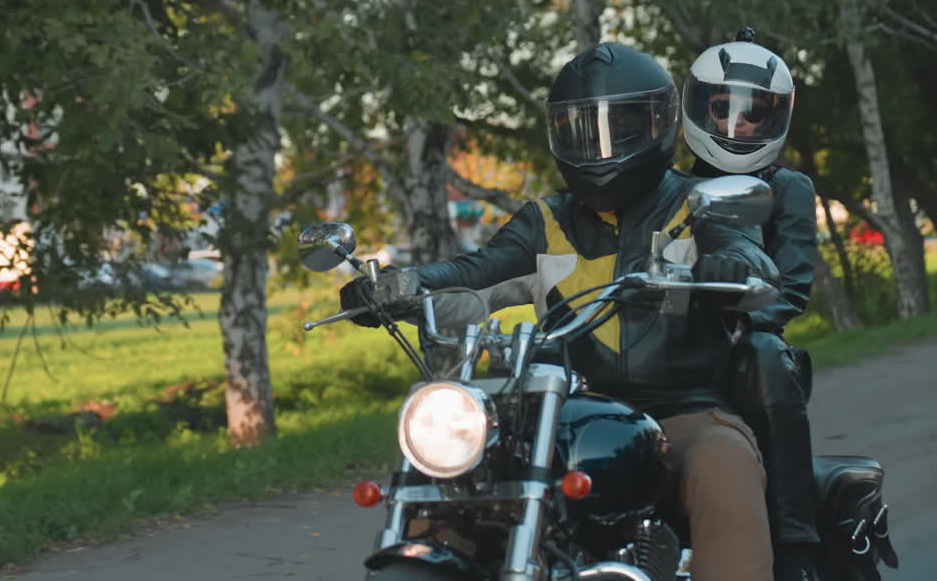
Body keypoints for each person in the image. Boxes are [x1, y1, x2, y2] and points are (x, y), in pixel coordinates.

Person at [342, 42, 781, 581]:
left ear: (661, 124)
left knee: (722, 465)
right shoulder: (545, 222)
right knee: (457, 476)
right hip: (567, 416)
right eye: (581, 130)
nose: (600, 148)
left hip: (682, 410)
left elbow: (743, 249)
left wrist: (736, 265)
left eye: (621, 127)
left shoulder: (700, 203)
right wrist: (400, 286)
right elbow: (477, 274)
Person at [683, 29, 821, 581]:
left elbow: (791, 287)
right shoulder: (667, 185)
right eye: (722, 108)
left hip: (745, 342)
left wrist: (743, 321)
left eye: (752, 114)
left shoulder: (789, 187)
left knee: (766, 356)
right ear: (701, 107)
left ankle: (798, 547)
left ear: (773, 119)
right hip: (665, 334)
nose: (736, 124)